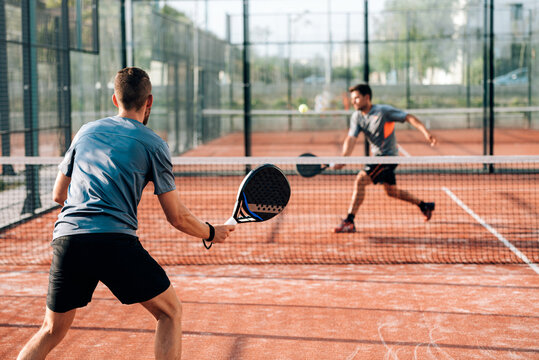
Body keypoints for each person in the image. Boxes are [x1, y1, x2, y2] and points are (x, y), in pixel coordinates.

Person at [17, 67, 235, 360]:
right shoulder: (154, 143)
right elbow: (177, 217)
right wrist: (212, 231)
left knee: (51, 330)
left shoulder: (86, 131)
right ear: (150, 102)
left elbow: (58, 194)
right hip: (115, 242)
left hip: (68, 239)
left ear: (114, 99)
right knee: (170, 312)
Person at [333, 83, 437, 233]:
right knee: (391, 191)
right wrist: (343, 158)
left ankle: (349, 220)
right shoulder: (357, 117)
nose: (353, 101)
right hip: (377, 158)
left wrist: (426, 132)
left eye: (356, 98)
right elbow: (351, 138)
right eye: (352, 99)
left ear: (367, 98)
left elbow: (408, 117)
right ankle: (424, 205)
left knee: (361, 180)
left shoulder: (383, 111)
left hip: (388, 158)